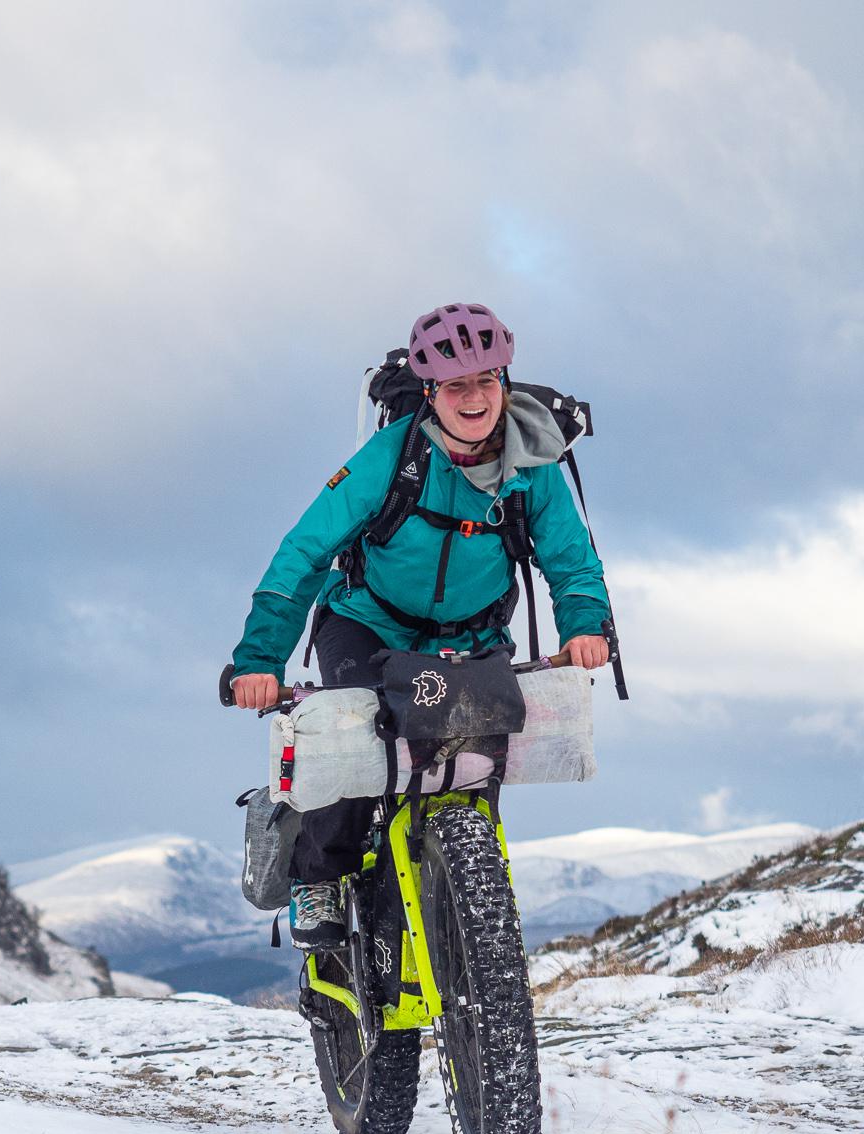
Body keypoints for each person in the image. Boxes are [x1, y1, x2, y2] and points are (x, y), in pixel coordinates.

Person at [228, 301, 614, 950]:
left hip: (471, 639)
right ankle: (318, 875)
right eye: (456, 385)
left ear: (505, 385)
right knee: (362, 745)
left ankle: (471, 920)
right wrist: (260, 660)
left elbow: (571, 559)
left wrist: (585, 624)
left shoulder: (531, 467)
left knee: (474, 769)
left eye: (486, 381)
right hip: (367, 624)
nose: (473, 398)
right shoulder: (389, 458)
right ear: (431, 392)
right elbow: (303, 553)